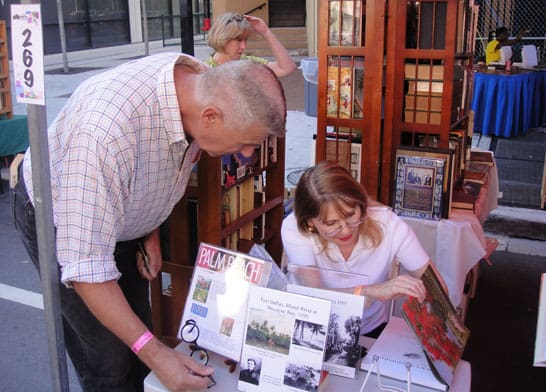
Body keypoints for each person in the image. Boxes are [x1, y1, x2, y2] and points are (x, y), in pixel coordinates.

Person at [11, 52, 286, 391]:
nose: (246, 155)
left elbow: (157, 165)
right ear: (211, 117)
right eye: (246, 143)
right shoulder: (107, 131)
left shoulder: (196, 88)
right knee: (109, 357)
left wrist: (149, 229)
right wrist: (157, 354)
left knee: (137, 334)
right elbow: (85, 269)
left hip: (121, 214)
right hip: (63, 213)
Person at [281, 161, 447, 338]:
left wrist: (436, 317)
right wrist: (369, 291)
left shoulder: (389, 225)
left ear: (360, 204)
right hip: (313, 328)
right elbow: (313, 295)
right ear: (310, 222)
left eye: (351, 215)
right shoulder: (294, 228)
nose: (345, 230)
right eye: (331, 224)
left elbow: (436, 286)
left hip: (369, 330)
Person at [206, 12, 297, 77]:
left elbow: (286, 68)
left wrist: (266, 32)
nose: (244, 47)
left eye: (246, 40)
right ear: (222, 37)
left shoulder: (249, 63)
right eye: (238, 40)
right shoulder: (204, 70)